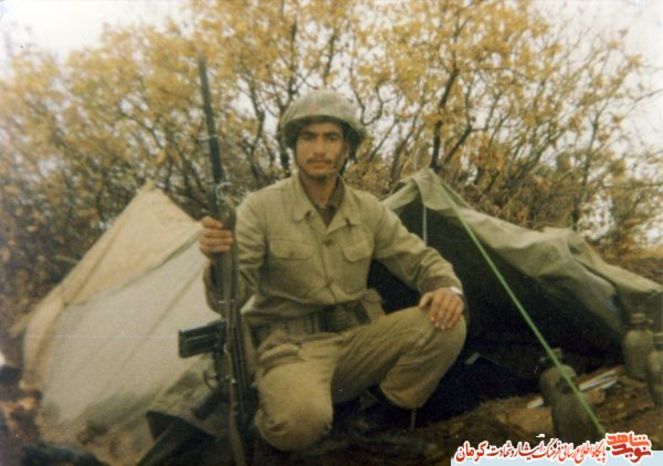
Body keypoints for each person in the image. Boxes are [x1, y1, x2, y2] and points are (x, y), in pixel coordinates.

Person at [198, 90, 466, 455]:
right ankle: (268, 428)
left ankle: (373, 424)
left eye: (331, 138)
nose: (319, 149)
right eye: (308, 137)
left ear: (346, 147)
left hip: (358, 341)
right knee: (299, 422)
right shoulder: (260, 208)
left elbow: (419, 259)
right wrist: (219, 261)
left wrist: (446, 286)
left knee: (447, 323)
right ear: (294, 146)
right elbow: (230, 297)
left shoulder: (367, 209)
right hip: (293, 350)